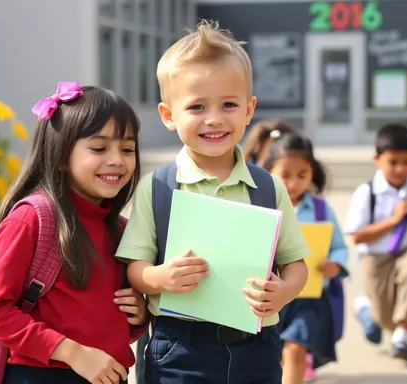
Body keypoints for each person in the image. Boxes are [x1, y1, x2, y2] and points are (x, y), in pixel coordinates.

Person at [116, 20, 310, 384]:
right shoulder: (156, 187)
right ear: (169, 115)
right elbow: (135, 268)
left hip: (257, 347)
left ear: (249, 110)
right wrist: (160, 276)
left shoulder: (268, 187)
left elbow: (296, 265)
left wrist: (283, 293)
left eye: (229, 104)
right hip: (180, 349)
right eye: (197, 107)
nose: (215, 119)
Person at [0, 83, 150, 384]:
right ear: (60, 155)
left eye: (127, 149)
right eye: (99, 148)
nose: (117, 160)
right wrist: (73, 353)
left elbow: (104, 321)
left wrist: (138, 315)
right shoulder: (33, 220)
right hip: (41, 375)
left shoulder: (120, 230)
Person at [344, 124, 407, 363]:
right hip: (376, 257)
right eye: (393, 162)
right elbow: (357, 236)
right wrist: (394, 220)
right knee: (383, 316)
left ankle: (403, 335)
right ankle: (368, 309)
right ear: (377, 159)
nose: (401, 169)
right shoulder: (366, 192)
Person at [263, 133, 349, 384]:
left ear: (313, 173)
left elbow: (339, 247)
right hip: (273, 297)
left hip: (310, 299)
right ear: (269, 171)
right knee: (274, 353)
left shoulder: (322, 209)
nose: (293, 183)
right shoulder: (263, 207)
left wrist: (336, 264)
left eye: (302, 175)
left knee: (296, 347)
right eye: (286, 175)